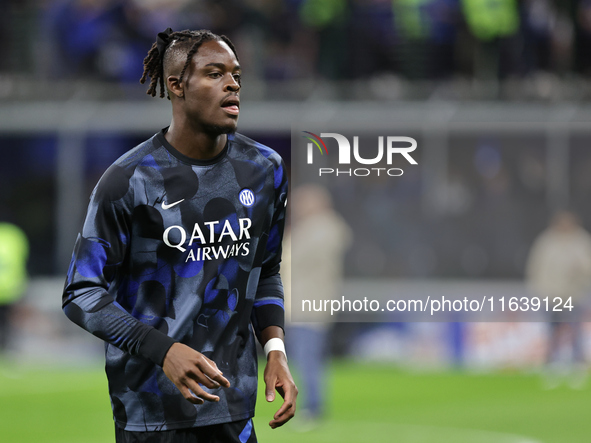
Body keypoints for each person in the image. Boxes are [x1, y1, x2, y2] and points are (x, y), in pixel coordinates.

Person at [62, 28, 297, 442]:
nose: (232, 84)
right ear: (176, 85)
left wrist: (274, 349)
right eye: (214, 73)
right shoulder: (129, 180)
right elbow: (80, 292)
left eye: (236, 75)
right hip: (151, 413)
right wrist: (163, 351)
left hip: (233, 410)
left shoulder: (264, 169)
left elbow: (266, 270)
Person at [526, 210, 591, 388]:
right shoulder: (546, 241)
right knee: (551, 332)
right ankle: (551, 365)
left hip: (573, 295)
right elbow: (536, 267)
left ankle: (578, 366)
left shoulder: (581, 242)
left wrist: (580, 272)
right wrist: (538, 290)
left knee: (574, 331)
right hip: (549, 295)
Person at [0, 221, 29, 353]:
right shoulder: (14, 235)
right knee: (9, 320)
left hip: (9, 288)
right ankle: (8, 345)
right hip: (11, 287)